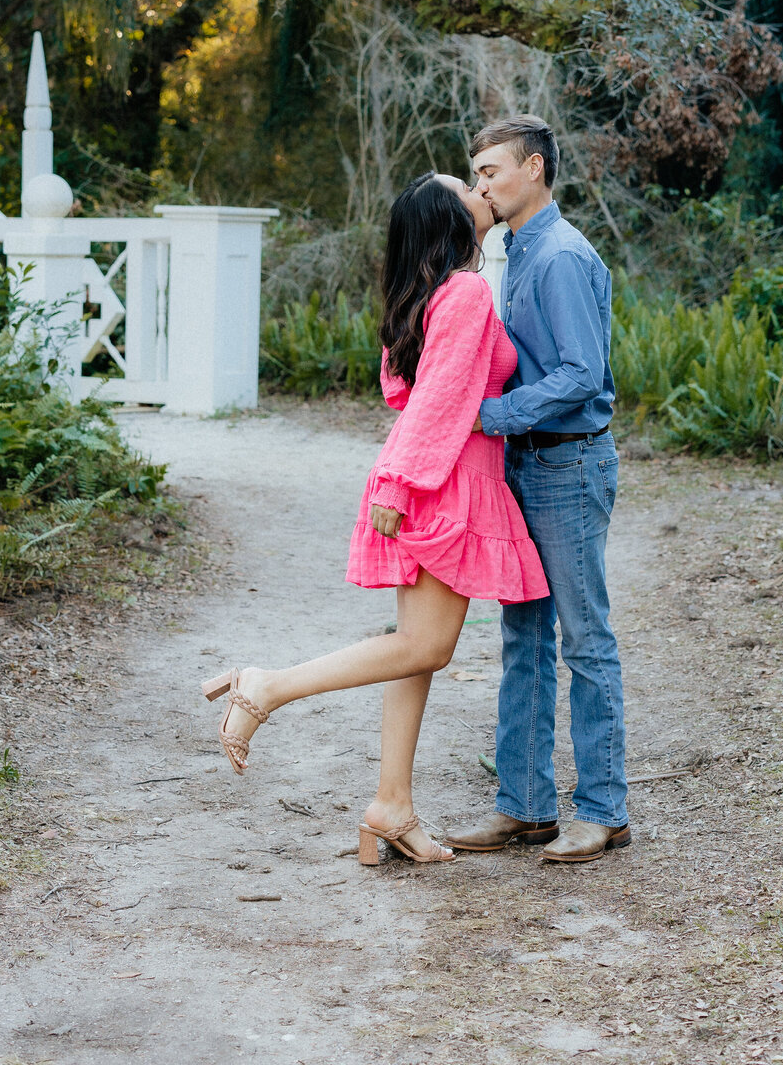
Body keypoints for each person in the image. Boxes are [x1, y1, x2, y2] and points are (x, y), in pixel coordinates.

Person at [200, 171, 547, 866]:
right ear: (451, 222)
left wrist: (399, 480)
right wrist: (402, 483)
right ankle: (269, 686)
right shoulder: (469, 292)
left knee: (412, 648)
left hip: (427, 477)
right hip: (443, 481)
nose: (484, 193)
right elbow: (438, 399)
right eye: (469, 191)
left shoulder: (432, 297)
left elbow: (400, 387)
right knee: (427, 648)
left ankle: (391, 804)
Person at [444, 116, 629, 865]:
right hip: (523, 466)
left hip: (568, 464)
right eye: (476, 174)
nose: (481, 184)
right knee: (522, 636)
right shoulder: (512, 251)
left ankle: (604, 811)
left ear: (534, 168)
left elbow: (582, 376)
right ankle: (524, 807)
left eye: (490, 171)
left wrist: (489, 414)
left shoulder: (556, 256)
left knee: (585, 640)